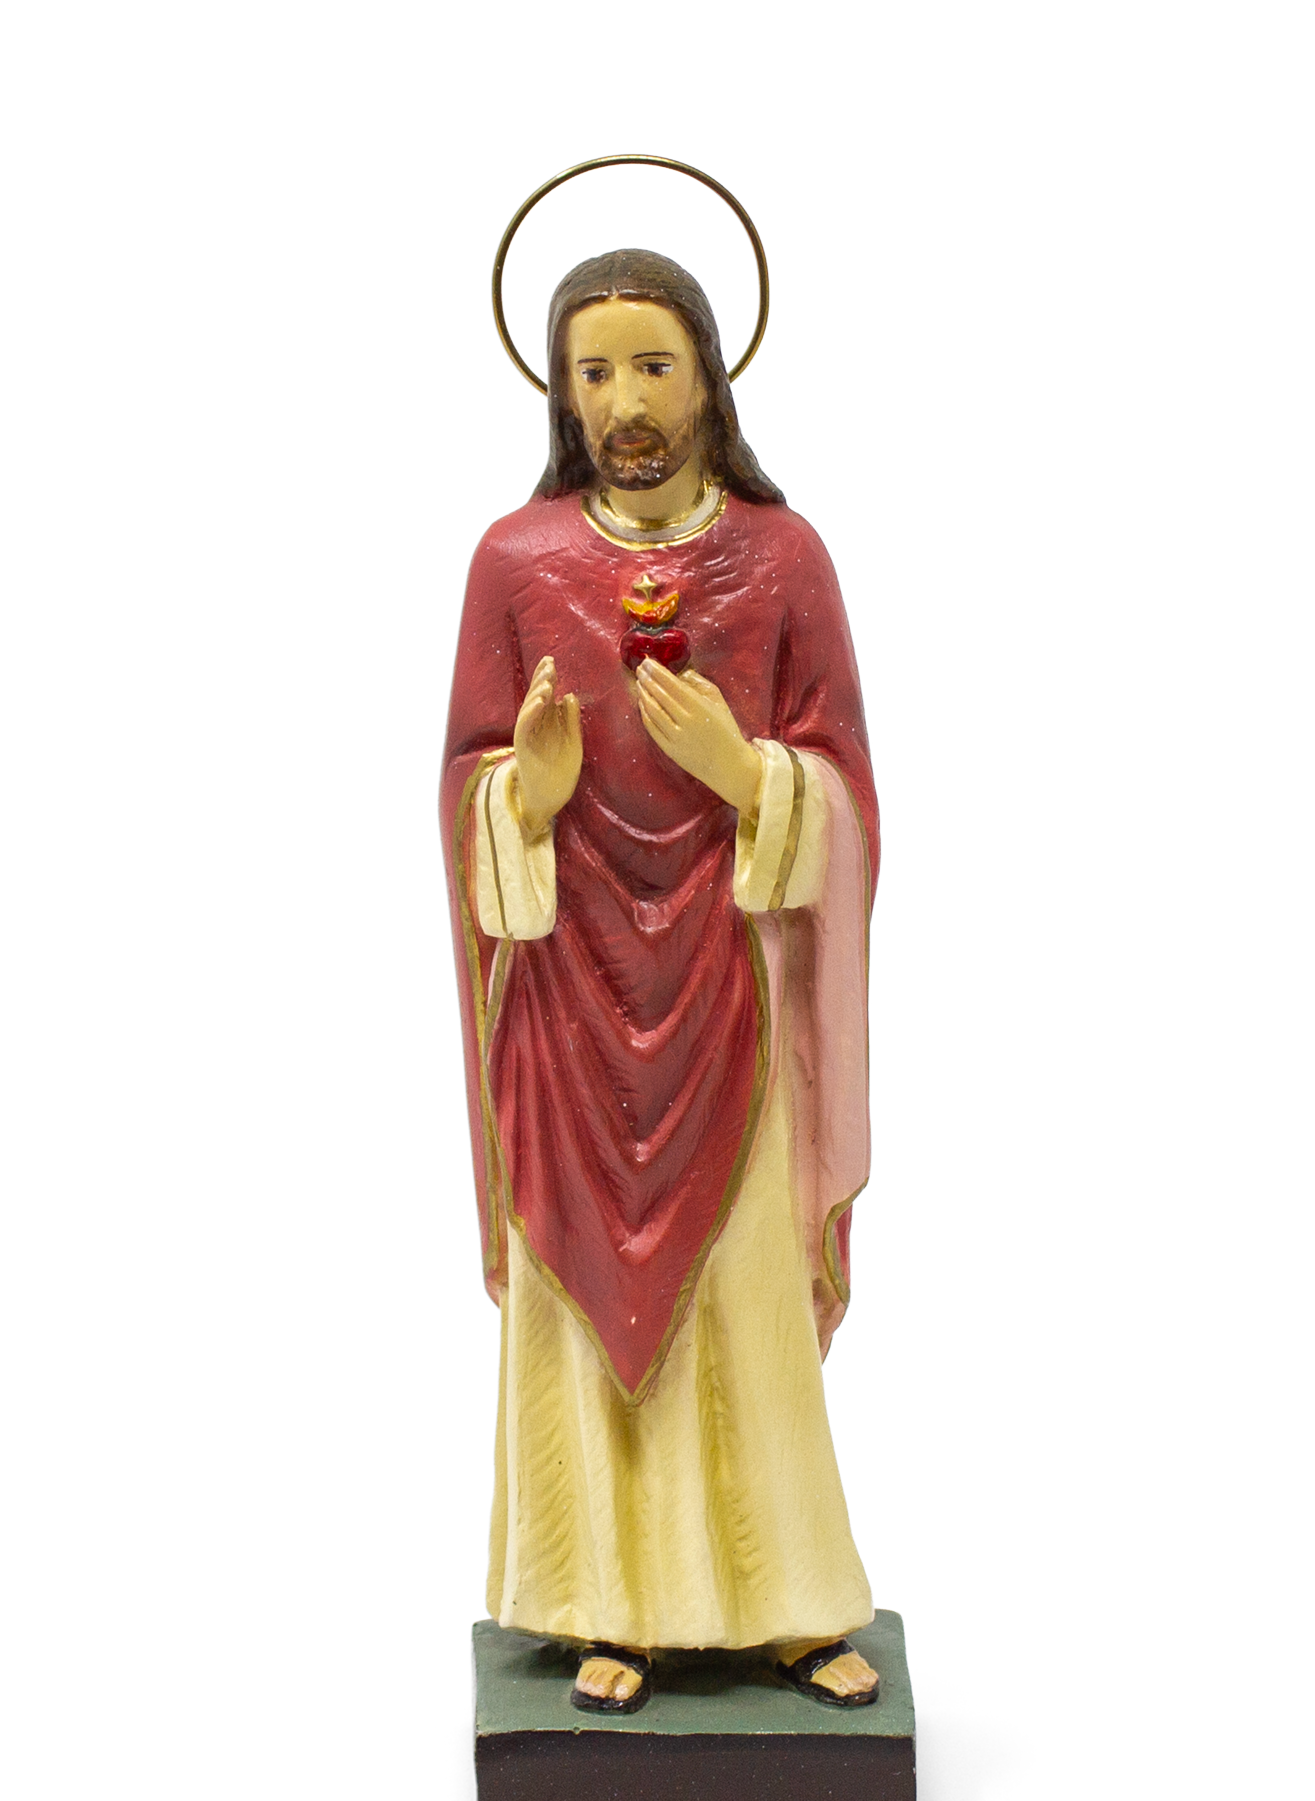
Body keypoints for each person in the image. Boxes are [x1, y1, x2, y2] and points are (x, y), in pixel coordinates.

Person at [439, 247, 882, 1712]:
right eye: (594, 372)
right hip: (570, 997)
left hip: (731, 986)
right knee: (589, 1298)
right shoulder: (517, 562)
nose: (625, 402)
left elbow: (849, 795)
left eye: (652, 366)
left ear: (708, 373)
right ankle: (602, 1599)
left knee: (743, 1297)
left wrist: (747, 775)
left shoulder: (784, 558)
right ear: (559, 393)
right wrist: (525, 789)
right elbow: (463, 787)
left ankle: (782, 1596)